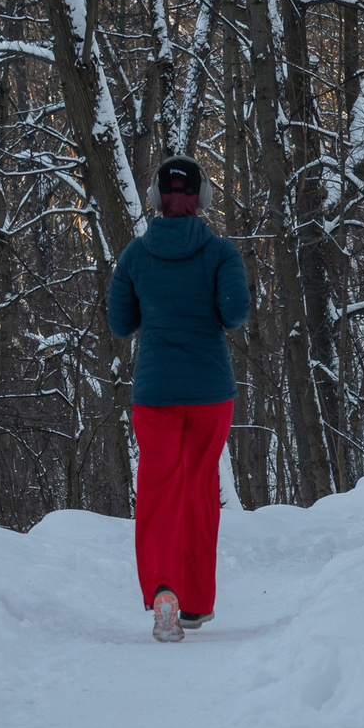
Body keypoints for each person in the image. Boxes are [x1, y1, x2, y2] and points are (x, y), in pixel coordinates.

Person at [107, 157, 251, 643]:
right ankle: (193, 605)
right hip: (210, 395)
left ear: (154, 201)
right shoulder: (221, 254)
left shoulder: (135, 256)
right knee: (198, 494)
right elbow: (234, 314)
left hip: (155, 396)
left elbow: (120, 324)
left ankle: (163, 590)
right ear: (203, 199)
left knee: (157, 495)